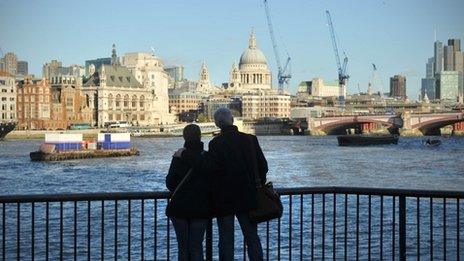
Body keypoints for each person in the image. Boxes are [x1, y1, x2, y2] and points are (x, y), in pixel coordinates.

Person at [207, 108, 268, 261]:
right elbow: (263, 166)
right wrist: (257, 184)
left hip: (224, 199)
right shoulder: (250, 140)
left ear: (217, 124)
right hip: (248, 196)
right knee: (252, 237)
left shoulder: (215, 144)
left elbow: (213, 172)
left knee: (226, 239)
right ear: (232, 120)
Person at [165, 124, 211, 261]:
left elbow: (170, 183)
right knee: (197, 247)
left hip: (180, 208)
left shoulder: (178, 157)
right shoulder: (207, 157)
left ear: (184, 137)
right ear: (200, 136)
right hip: (200, 208)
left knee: (183, 248)